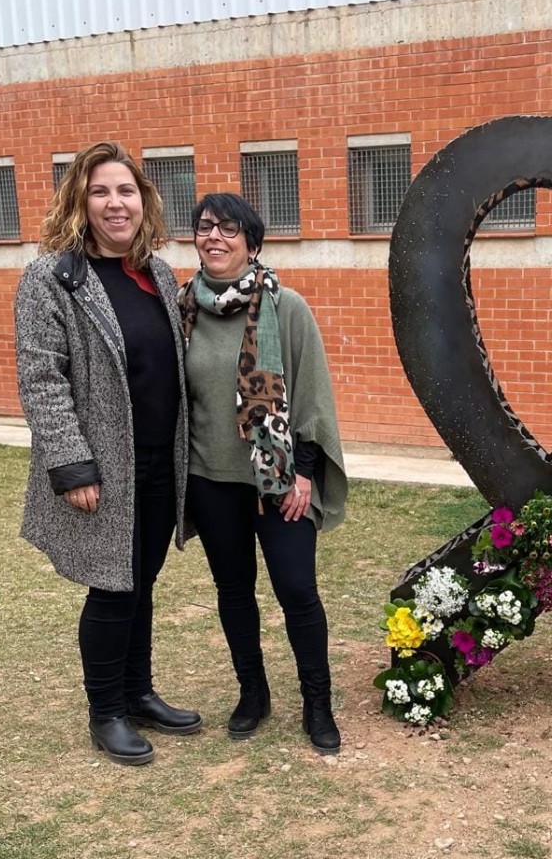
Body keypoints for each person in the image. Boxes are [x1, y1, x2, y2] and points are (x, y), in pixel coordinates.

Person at [14, 141, 201, 766]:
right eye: (100, 192)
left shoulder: (157, 272)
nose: (114, 203)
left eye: (125, 191)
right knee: (112, 588)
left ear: (142, 201)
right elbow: (43, 378)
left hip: (158, 461)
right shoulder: (53, 279)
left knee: (141, 581)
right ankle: (107, 711)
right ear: (81, 202)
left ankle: (138, 691)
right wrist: (72, 466)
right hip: (102, 467)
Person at [180, 192, 348, 754]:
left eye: (229, 229)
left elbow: (313, 395)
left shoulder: (285, 306)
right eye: (206, 228)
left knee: (297, 591)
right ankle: (253, 694)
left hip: (279, 485)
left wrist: (302, 473)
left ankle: (317, 704)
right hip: (210, 480)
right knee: (234, 591)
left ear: (252, 244)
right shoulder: (182, 309)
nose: (215, 237)